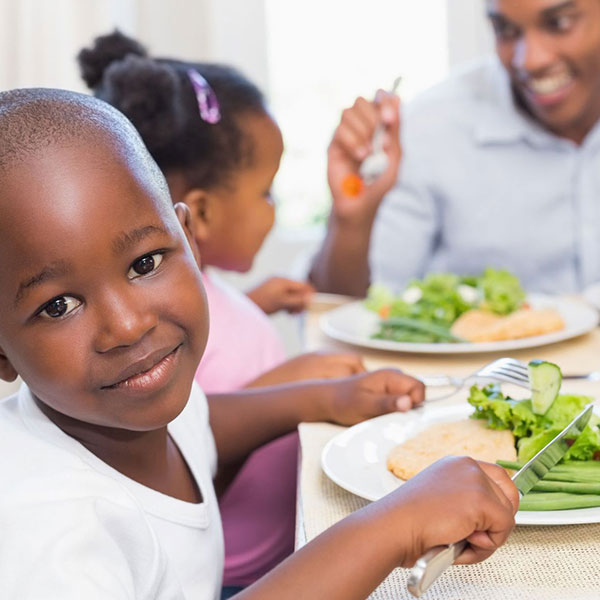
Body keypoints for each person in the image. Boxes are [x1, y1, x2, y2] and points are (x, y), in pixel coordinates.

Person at [0, 87, 518, 600]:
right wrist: (391, 527)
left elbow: (204, 426)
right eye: (58, 306)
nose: (127, 327)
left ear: (189, 241)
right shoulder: (54, 531)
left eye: (145, 263)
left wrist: (322, 398)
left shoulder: (128, 409)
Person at [77, 31, 368, 596]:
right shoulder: (144, 342)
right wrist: (288, 388)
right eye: (267, 193)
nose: (273, 210)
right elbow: (184, 450)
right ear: (201, 214)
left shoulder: (194, 295)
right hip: (247, 579)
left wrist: (251, 306)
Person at [310, 0, 600, 297]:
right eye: (505, 30)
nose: (530, 60)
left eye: (559, 24)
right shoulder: (427, 128)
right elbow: (344, 308)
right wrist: (351, 224)